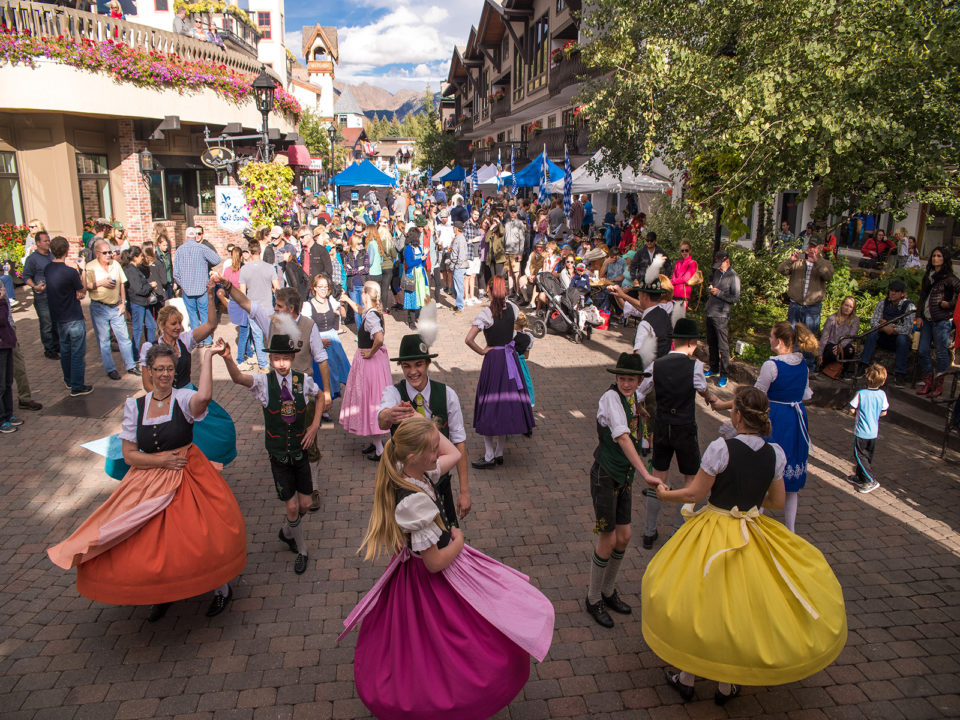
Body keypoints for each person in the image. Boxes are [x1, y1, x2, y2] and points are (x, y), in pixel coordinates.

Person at [339, 415, 554, 719]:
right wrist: (459, 540)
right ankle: (443, 698)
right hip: (428, 579)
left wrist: (422, 424)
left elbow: (454, 453)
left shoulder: (408, 470)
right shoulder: (414, 501)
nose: (437, 453)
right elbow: (434, 563)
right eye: (431, 449)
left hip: (416, 568)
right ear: (415, 457)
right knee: (445, 640)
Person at [642, 386, 846, 705]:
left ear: (736, 414)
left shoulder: (721, 449)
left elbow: (695, 494)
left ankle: (687, 678)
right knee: (740, 608)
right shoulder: (775, 453)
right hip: (752, 530)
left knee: (701, 601)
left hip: (714, 529)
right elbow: (778, 501)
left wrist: (666, 495)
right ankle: (726, 684)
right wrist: (750, 501)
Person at [48, 342, 246, 621]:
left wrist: (209, 356)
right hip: (149, 479)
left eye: (169, 368)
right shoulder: (135, 406)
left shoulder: (182, 399)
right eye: (159, 369)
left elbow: (203, 397)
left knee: (199, 536)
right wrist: (161, 461)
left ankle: (220, 588)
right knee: (148, 541)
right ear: (149, 372)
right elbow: (129, 455)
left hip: (187, 473)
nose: (165, 374)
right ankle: (162, 593)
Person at [221, 322, 323, 575]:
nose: (280, 363)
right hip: (278, 454)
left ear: (292, 357)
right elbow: (237, 378)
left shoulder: (302, 381)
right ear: (271, 358)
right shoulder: (263, 383)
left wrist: (313, 427)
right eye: (276, 358)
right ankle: (302, 550)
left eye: (285, 358)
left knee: (306, 504)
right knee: (291, 506)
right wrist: (227, 359)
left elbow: (320, 396)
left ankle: (288, 532)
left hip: (299, 452)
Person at [718, 321, 818, 533]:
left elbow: (755, 395)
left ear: (779, 341)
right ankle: (790, 530)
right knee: (791, 485)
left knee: (763, 472)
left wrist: (724, 404)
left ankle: (755, 524)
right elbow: (805, 394)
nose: (769, 340)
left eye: (771, 336)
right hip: (797, 421)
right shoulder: (802, 365)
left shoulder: (771, 366)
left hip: (777, 421)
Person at [585, 352, 659, 628]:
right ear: (616, 379)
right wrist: (645, 473)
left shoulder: (632, 400)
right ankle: (593, 598)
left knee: (624, 536)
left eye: (631, 379)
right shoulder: (610, 399)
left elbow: (636, 426)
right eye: (622, 378)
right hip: (605, 475)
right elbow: (623, 437)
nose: (626, 384)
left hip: (622, 476)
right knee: (608, 539)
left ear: (640, 380)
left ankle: (608, 589)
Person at [637, 319, 717, 551]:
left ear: (675, 341)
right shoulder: (695, 367)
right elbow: (703, 390)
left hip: (662, 426)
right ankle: (678, 532)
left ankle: (649, 531)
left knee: (658, 478)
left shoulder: (656, 365)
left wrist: (641, 410)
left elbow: (641, 393)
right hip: (684, 426)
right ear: (691, 344)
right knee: (690, 479)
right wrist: (712, 399)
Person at [377, 333, 472, 525]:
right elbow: (382, 420)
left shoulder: (447, 395)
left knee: (447, 537)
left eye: (418, 364)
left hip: (440, 483)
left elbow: (458, 442)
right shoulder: (394, 393)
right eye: (406, 366)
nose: (413, 372)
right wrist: (388, 415)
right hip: (406, 487)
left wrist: (464, 491)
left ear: (428, 363)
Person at [465, 277, 535, 468]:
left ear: (489, 290)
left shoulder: (486, 313)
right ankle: (499, 452)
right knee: (505, 404)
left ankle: (489, 456)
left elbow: (468, 339)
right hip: (510, 359)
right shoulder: (512, 308)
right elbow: (513, 332)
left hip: (494, 360)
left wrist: (482, 350)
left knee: (489, 404)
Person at [339, 281, 392, 460]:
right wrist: (347, 299)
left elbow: (379, 337)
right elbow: (361, 310)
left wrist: (371, 352)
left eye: (362, 293)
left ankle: (379, 449)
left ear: (367, 295)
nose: (360, 295)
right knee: (371, 400)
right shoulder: (371, 312)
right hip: (373, 363)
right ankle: (375, 442)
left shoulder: (371, 317)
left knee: (370, 401)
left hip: (370, 365)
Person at [84, 239, 139, 380]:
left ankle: (131, 365)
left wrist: (123, 303)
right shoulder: (90, 267)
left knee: (124, 339)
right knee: (104, 341)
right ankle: (110, 369)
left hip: (116, 307)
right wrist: (101, 283)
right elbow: (86, 286)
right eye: (105, 253)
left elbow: (121, 284)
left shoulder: (115, 264)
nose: (109, 255)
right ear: (97, 254)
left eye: (110, 252)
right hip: (99, 307)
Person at [46, 236, 92, 397]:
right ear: (67, 250)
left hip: (59, 317)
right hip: (73, 316)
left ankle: (68, 380)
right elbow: (83, 291)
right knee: (77, 352)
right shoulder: (70, 272)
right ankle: (77, 386)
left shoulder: (48, 269)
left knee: (65, 350)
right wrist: (83, 270)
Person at [777, 238, 835, 362]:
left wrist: (816, 262)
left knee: (809, 337)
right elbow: (781, 270)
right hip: (795, 304)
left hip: (812, 307)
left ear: (819, 248)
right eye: (810, 246)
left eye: (814, 247)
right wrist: (791, 261)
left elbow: (828, 275)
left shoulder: (825, 263)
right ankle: (790, 360)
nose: (811, 249)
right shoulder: (800, 260)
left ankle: (808, 365)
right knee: (792, 334)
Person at [301, 273, 350, 413]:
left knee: (336, 373)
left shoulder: (331, 301)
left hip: (333, 342)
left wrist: (342, 306)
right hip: (317, 342)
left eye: (326, 287)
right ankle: (320, 406)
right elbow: (306, 328)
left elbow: (344, 315)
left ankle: (328, 405)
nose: (323, 289)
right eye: (320, 287)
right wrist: (318, 340)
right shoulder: (308, 305)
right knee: (320, 375)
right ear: (314, 288)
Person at [915, 246, 960, 397]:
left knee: (941, 352)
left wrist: (950, 305)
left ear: (944, 259)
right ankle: (928, 381)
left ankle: (939, 385)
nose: (935, 258)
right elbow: (922, 297)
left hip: (941, 320)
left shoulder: (950, 278)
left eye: (939, 256)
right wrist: (919, 315)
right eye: (934, 256)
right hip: (927, 319)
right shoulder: (928, 275)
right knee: (922, 350)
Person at [858, 280, 916, 384]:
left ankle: (900, 374)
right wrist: (885, 328)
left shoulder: (909, 306)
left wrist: (891, 328)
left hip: (897, 338)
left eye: (896, 291)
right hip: (883, 335)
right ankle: (863, 365)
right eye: (891, 290)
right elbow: (873, 322)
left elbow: (908, 328)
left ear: (902, 294)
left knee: (903, 339)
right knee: (872, 333)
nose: (893, 293)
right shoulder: (883, 303)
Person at [173, 227, 222, 347]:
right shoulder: (202, 248)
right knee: (205, 314)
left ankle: (197, 340)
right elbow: (217, 259)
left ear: (186, 237)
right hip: (202, 287)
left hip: (187, 288)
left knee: (192, 315)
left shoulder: (180, 250)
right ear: (195, 236)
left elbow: (176, 273)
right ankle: (207, 340)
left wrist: (183, 284)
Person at [238, 241, 281, 371]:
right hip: (268, 306)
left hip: (253, 307)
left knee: (257, 336)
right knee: (271, 335)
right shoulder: (269, 267)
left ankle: (263, 364)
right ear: (260, 252)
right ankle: (275, 360)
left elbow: (242, 292)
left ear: (250, 253)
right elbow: (277, 287)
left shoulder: (244, 269)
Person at [849, 363, 889, 494]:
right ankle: (860, 477)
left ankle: (870, 480)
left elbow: (852, 408)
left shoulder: (861, 393)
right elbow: (884, 412)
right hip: (873, 431)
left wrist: (856, 413)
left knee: (859, 455)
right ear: (882, 382)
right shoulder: (882, 394)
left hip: (861, 431)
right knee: (867, 456)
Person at [704, 249, 739, 387]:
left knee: (723, 346)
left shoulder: (733, 276)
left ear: (727, 261)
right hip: (710, 311)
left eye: (720, 264)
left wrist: (719, 294)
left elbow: (735, 298)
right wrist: (711, 289)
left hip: (722, 314)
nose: (719, 266)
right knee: (711, 343)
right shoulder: (717, 273)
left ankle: (725, 374)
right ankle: (713, 368)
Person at [21, 230, 58, 358]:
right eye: (45, 241)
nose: (48, 243)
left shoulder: (52, 256)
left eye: (49, 240)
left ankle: (57, 345)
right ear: (38, 243)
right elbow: (25, 276)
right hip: (42, 297)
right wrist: (35, 286)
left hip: (55, 296)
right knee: (46, 323)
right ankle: (49, 349)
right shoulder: (32, 259)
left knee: (56, 322)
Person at [817, 296, 860, 377]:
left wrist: (840, 346)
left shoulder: (855, 320)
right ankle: (824, 367)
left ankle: (844, 371)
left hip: (845, 344)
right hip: (831, 343)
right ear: (842, 305)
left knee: (850, 350)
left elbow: (852, 336)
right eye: (846, 305)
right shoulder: (832, 318)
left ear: (853, 309)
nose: (847, 308)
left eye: (850, 307)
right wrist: (820, 353)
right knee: (832, 351)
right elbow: (824, 337)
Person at [124, 246, 158, 347]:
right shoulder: (131, 271)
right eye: (140, 256)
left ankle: (150, 349)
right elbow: (138, 289)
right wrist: (150, 286)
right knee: (137, 329)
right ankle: (135, 354)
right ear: (135, 257)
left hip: (142, 302)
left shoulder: (134, 269)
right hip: (137, 303)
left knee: (152, 325)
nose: (142, 258)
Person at [0, 281, 20, 433]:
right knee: (0, 383)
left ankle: (8, 413)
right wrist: (1, 301)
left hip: (6, 342)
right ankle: (1, 419)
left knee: (7, 381)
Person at [402, 227, 429, 329]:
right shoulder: (409, 249)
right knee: (413, 299)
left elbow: (423, 263)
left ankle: (419, 317)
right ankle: (411, 322)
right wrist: (421, 259)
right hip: (412, 276)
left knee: (422, 298)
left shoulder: (419, 248)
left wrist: (424, 256)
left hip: (421, 275)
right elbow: (409, 264)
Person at [513, 312, 535, 409]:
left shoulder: (510, 336)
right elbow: (526, 356)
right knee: (524, 384)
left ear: (516, 324)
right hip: (521, 364)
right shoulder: (529, 337)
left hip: (510, 363)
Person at [670, 239, 699, 310]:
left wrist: (672, 281)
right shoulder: (678, 263)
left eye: (686, 250)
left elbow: (686, 278)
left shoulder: (692, 263)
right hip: (674, 294)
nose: (684, 252)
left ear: (690, 250)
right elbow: (674, 276)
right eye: (682, 250)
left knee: (680, 317)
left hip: (684, 294)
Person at [450, 220, 469, 313]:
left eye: (454, 227)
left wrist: (456, 265)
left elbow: (461, 255)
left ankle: (460, 307)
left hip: (459, 267)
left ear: (457, 228)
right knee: (456, 287)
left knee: (459, 287)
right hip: (457, 266)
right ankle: (458, 305)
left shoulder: (460, 239)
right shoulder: (458, 237)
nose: (453, 228)